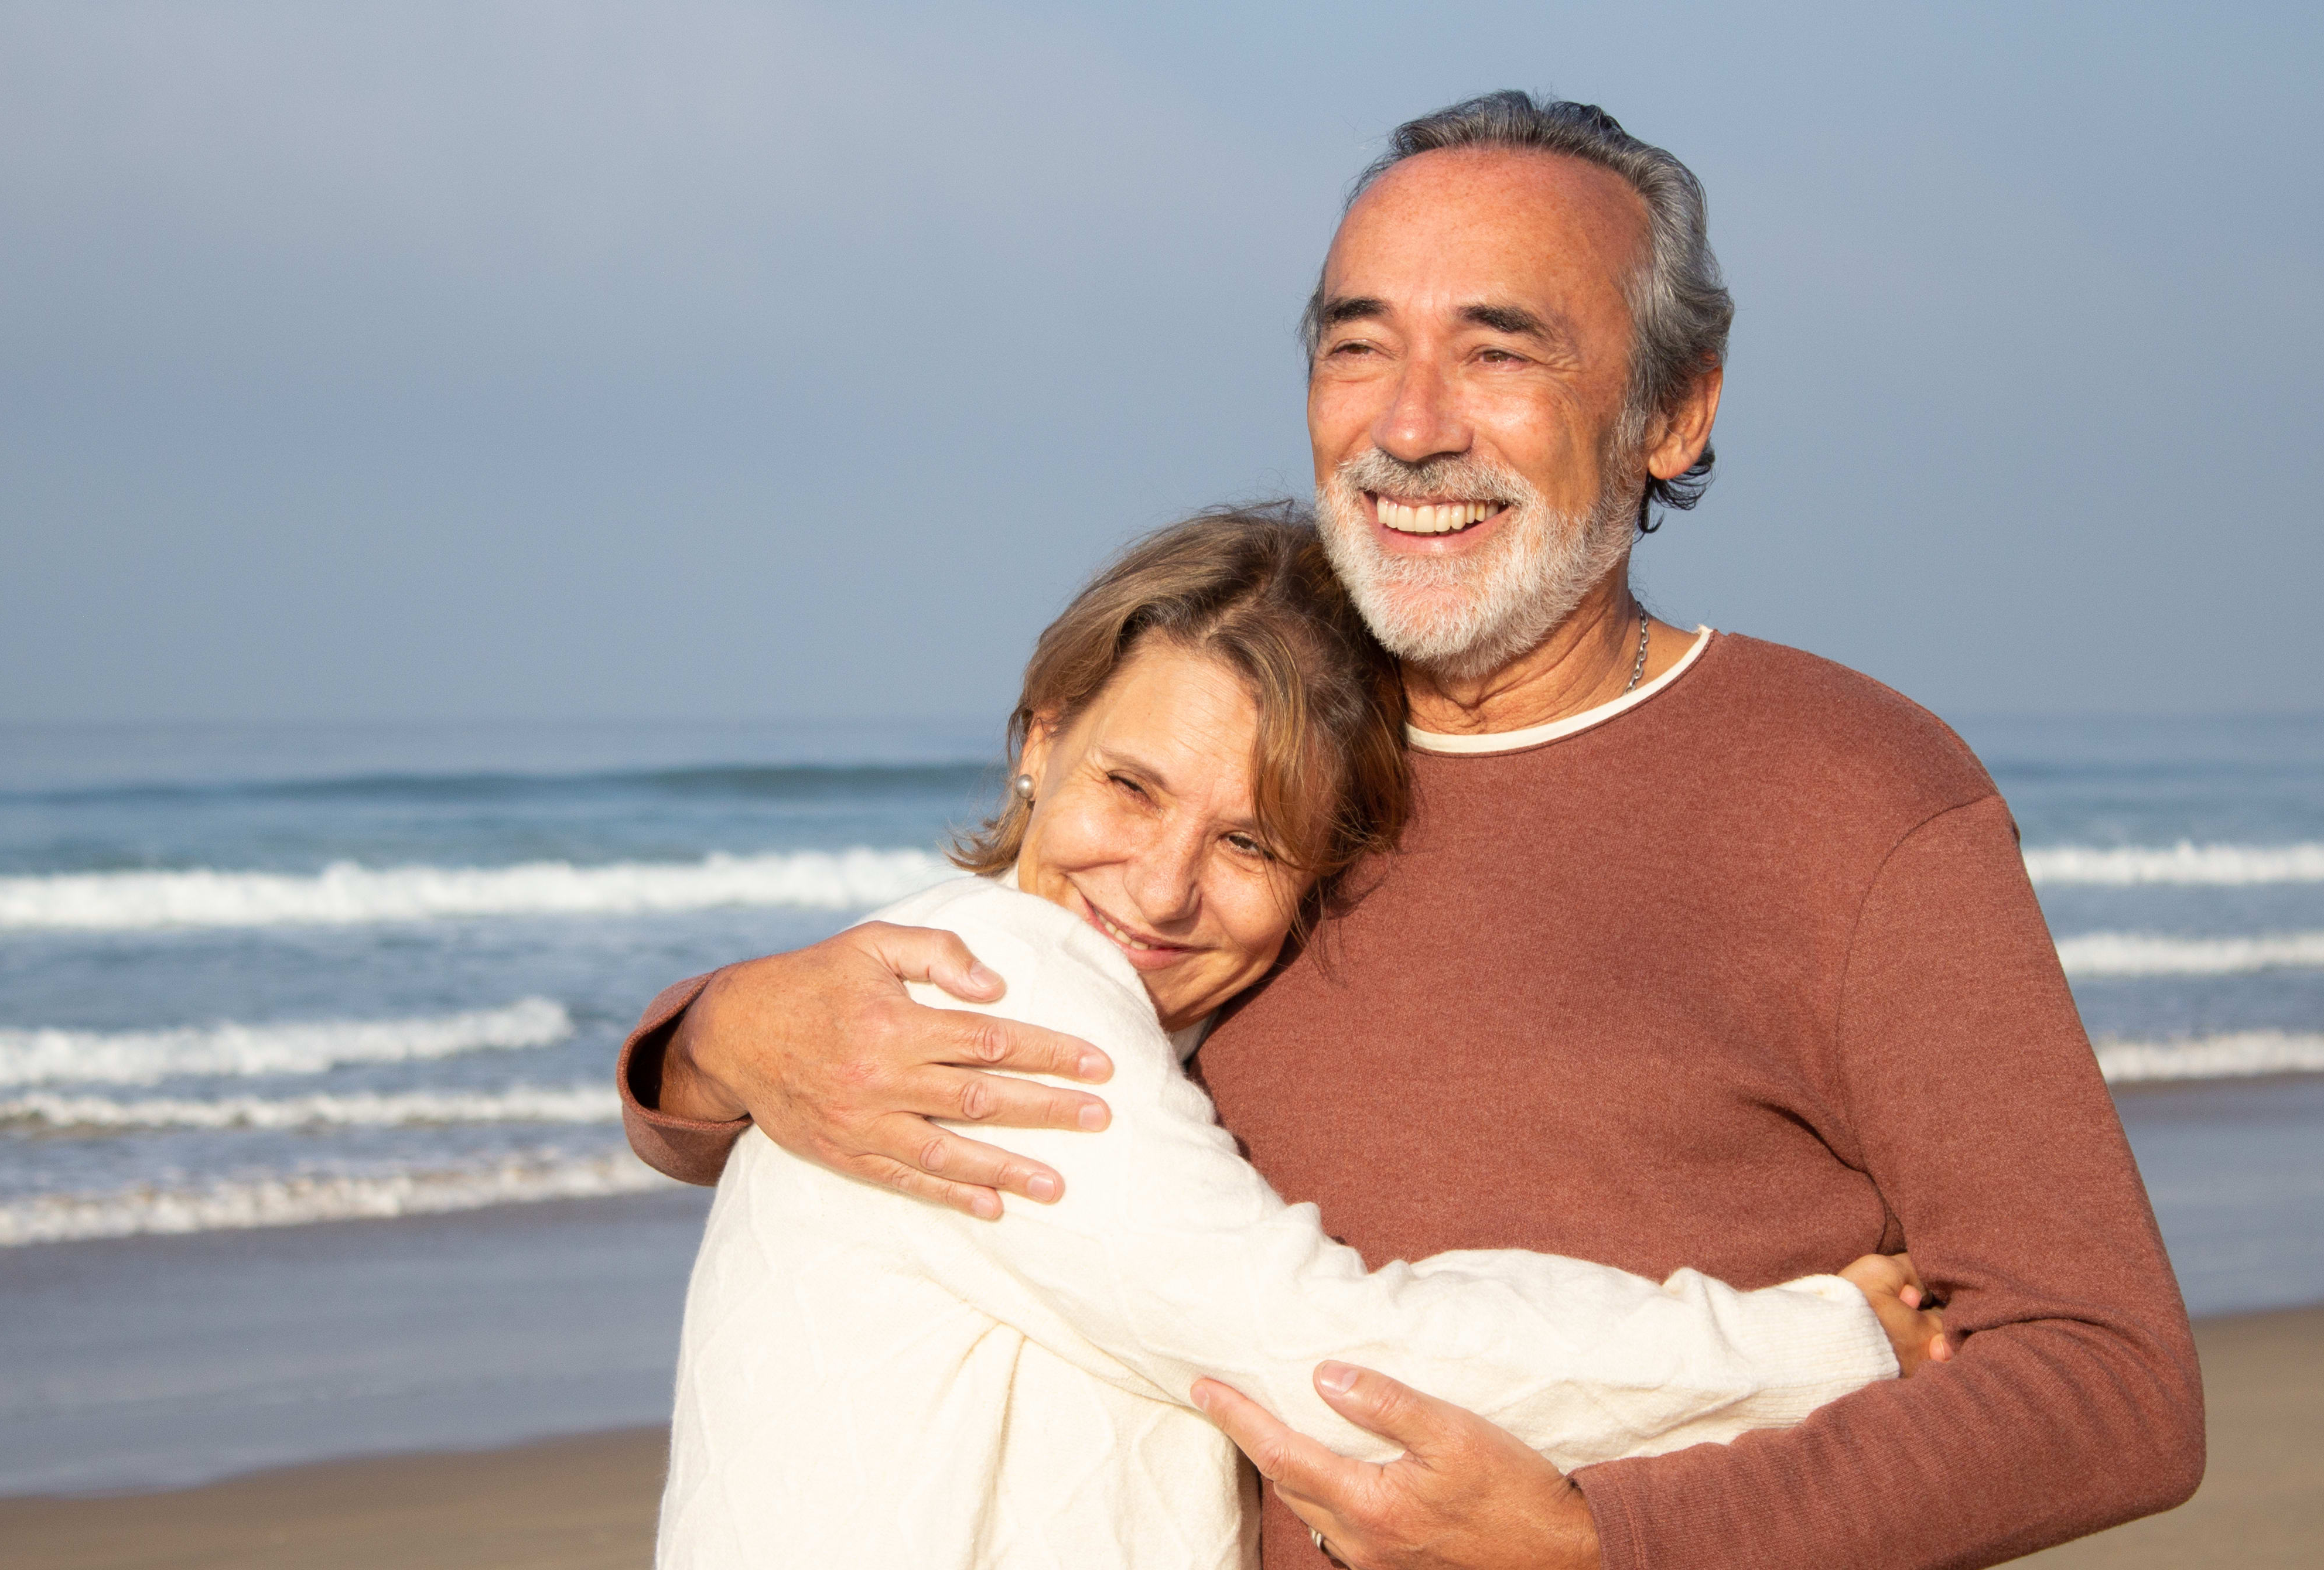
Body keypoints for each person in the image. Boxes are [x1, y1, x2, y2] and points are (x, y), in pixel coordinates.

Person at [620, 93, 2202, 1569]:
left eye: (1498, 354)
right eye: (1356, 348)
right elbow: (972, 1054)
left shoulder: (1850, 790)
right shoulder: (1245, 740)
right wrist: (716, 1038)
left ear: (1671, 410)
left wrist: (1607, 1543)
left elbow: (2105, 1383)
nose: (1410, 425)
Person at [658, 508, 1942, 1569]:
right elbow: (1338, 1355)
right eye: (1130, 785)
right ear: (1042, 741)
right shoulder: (992, 984)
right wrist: (1819, 1341)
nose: (1160, 887)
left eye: (1249, 841)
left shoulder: (1024, 991)